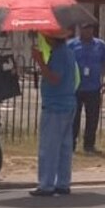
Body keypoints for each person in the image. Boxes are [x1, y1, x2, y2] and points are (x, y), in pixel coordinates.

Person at [30, 31, 78, 197]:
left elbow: (54, 78)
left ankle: (46, 184)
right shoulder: (68, 53)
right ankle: (63, 182)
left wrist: (40, 62)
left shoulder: (59, 55)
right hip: (68, 103)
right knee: (64, 146)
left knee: (50, 147)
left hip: (55, 106)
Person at [69, 23, 105, 154]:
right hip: (76, 88)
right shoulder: (71, 45)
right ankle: (71, 145)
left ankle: (89, 145)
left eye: (90, 28)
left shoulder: (100, 45)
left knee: (92, 117)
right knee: (73, 118)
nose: (88, 31)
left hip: (93, 87)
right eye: (85, 28)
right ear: (80, 29)